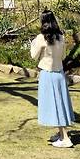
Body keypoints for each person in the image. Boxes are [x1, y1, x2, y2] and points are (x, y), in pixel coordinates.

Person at [30, 10, 75, 148]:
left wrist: (34, 43)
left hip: (48, 74)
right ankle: (61, 134)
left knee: (56, 105)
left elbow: (33, 56)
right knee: (61, 103)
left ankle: (65, 138)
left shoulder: (41, 38)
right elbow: (63, 56)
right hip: (59, 74)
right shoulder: (61, 37)